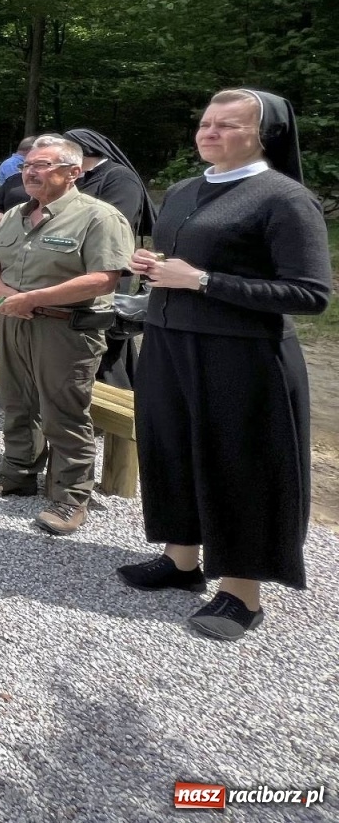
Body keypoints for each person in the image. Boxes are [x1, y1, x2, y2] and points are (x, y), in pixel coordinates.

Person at [119, 89, 330, 642]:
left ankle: (242, 591)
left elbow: (310, 294)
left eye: (226, 125)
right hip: (169, 343)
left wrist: (203, 281)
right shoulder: (188, 190)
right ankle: (182, 560)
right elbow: (191, 262)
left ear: (265, 135)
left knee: (239, 464)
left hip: (241, 354)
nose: (208, 133)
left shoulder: (283, 198)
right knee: (170, 449)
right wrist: (157, 268)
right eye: (206, 123)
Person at [0, 135, 135, 536]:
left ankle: (71, 495)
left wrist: (35, 298)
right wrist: (12, 298)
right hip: (14, 321)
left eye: (43, 165)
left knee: (63, 412)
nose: (30, 171)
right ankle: (19, 471)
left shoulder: (99, 217)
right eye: (28, 164)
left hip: (65, 329)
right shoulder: (14, 215)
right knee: (15, 401)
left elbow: (104, 278)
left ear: (73, 172)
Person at [64, 127, 158, 389]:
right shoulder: (79, 177)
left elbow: (116, 222)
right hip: (75, 267)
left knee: (106, 341)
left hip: (106, 269)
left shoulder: (119, 178)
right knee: (95, 341)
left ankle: (116, 403)